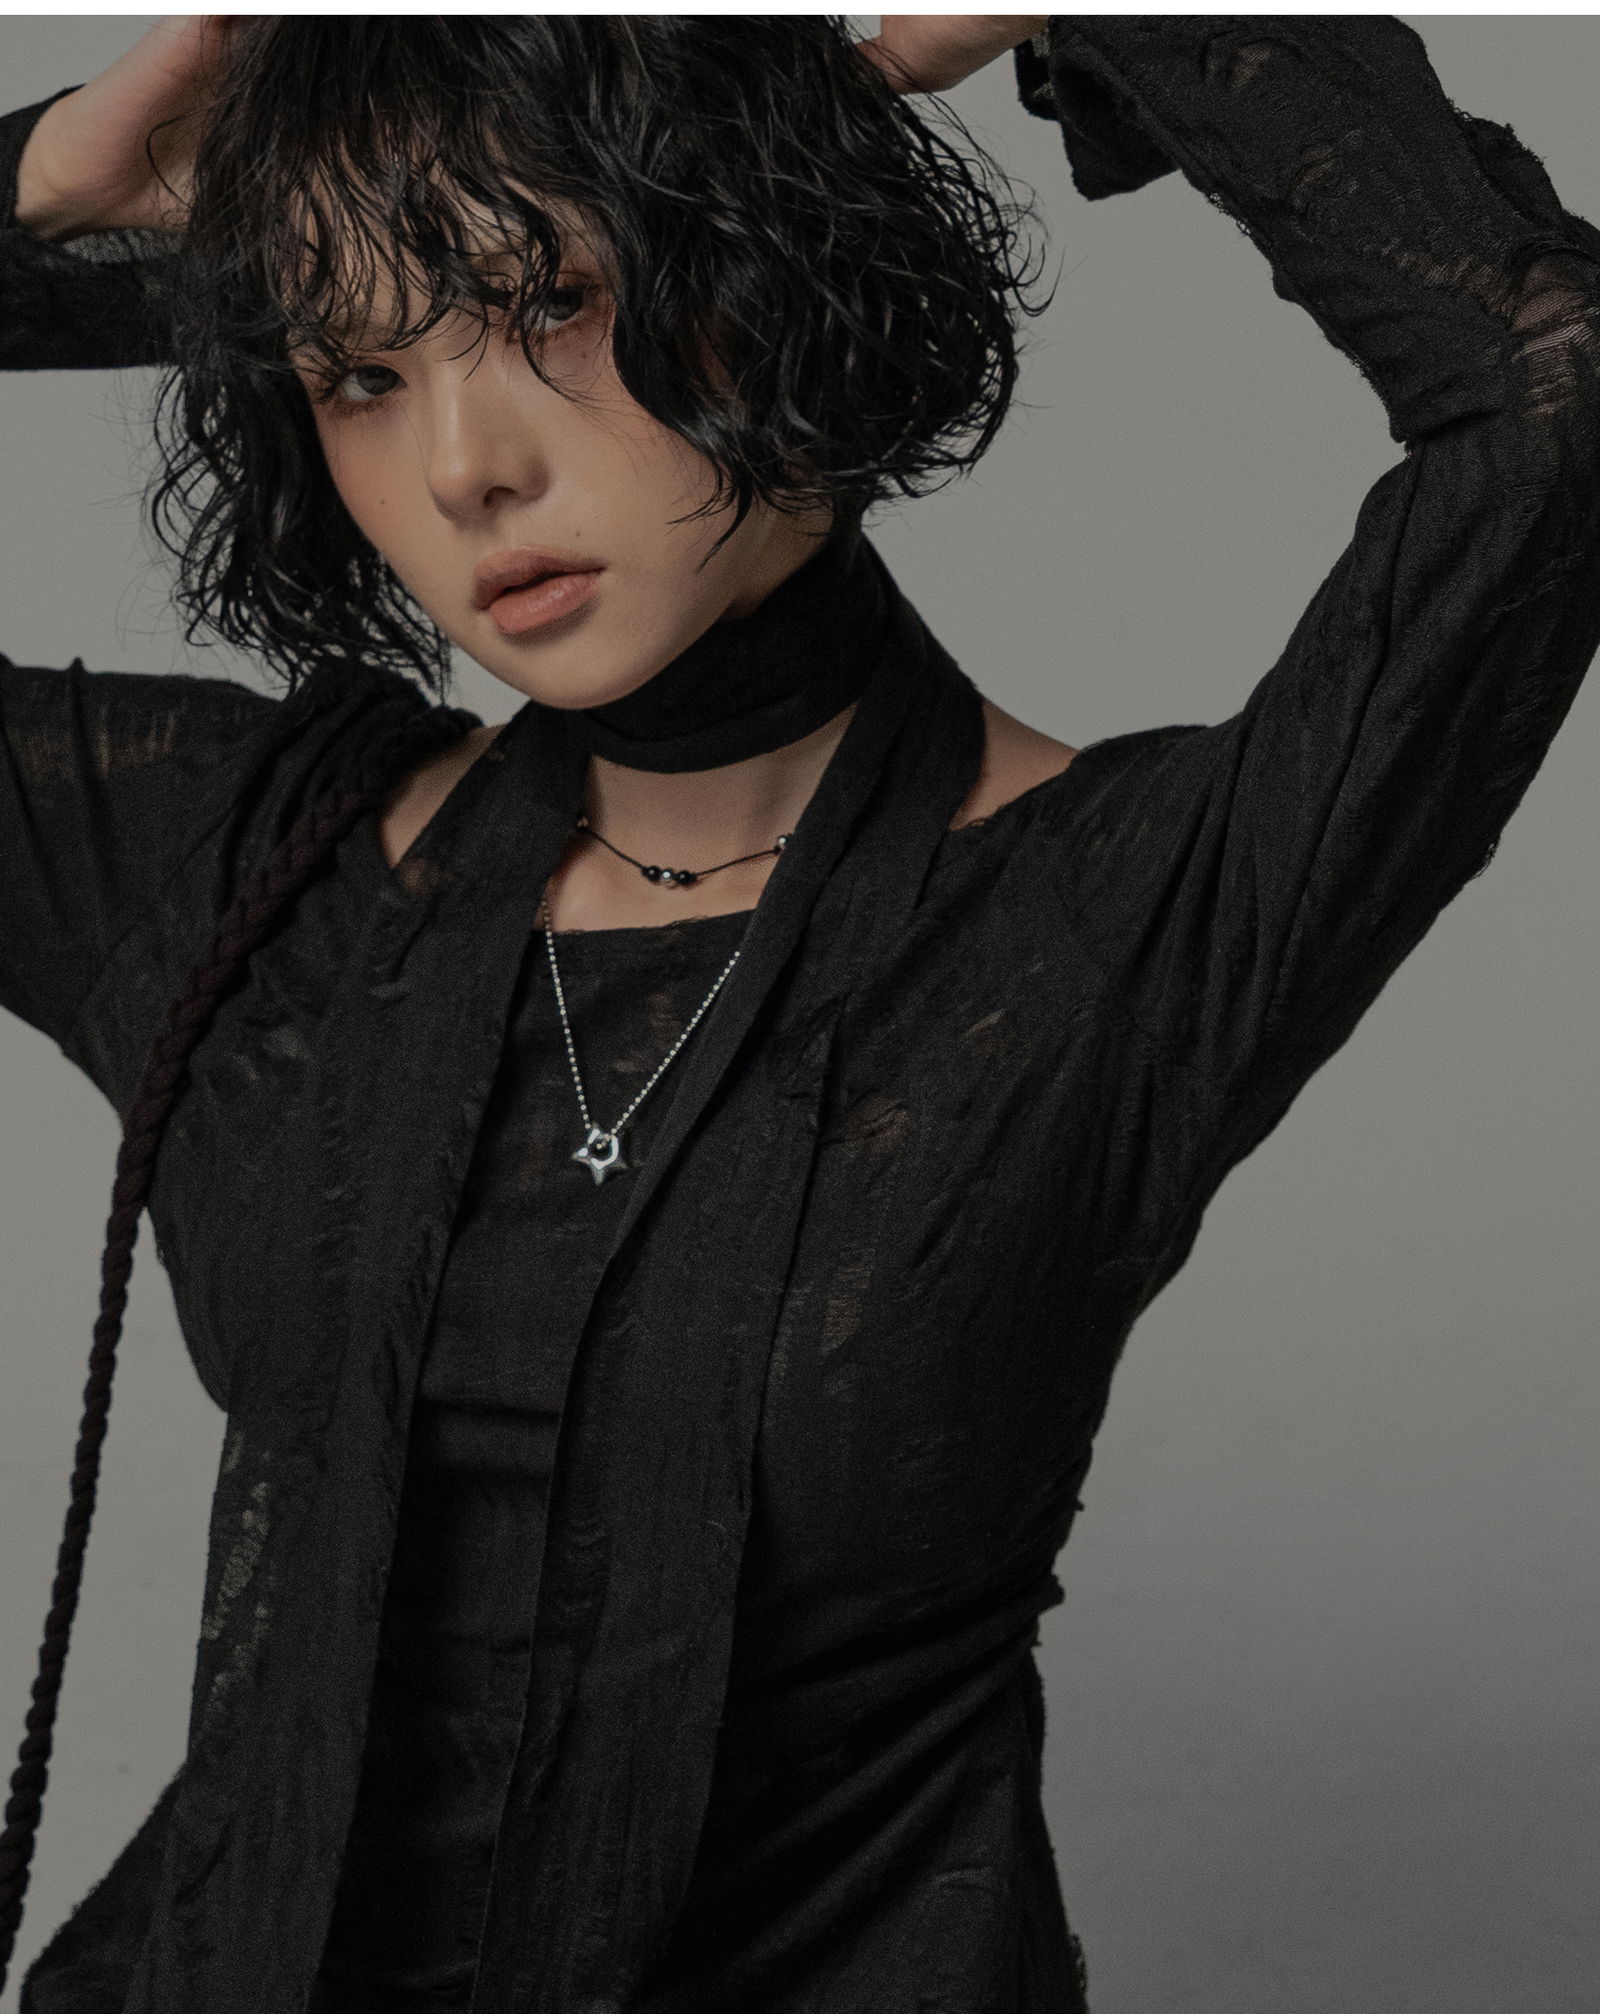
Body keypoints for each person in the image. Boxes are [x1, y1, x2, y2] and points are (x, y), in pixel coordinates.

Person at [0, 14, 1596, 2012]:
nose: (465, 465)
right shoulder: (249, 871)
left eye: (552, 303)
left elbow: (1549, 397)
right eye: (358, 373)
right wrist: (41, 196)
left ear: (763, 256)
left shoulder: (1108, 923)